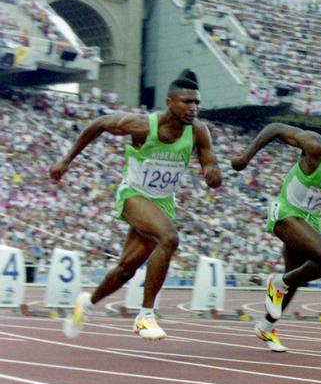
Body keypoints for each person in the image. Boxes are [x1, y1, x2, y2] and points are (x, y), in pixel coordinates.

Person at [51, 78, 222, 341]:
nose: (193, 107)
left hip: (163, 202)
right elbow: (99, 124)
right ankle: (145, 316)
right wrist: (66, 160)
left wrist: (212, 174)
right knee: (169, 238)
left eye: (197, 102)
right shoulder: (142, 125)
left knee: (126, 269)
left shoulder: (199, 132)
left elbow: (210, 165)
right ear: (169, 102)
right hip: (134, 195)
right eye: (187, 101)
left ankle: (86, 303)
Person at [230, 112, 321, 352]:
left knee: (295, 277)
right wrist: (246, 157)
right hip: (287, 211)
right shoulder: (318, 145)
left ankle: (266, 327)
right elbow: (276, 126)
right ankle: (277, 282)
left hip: (310, 219)